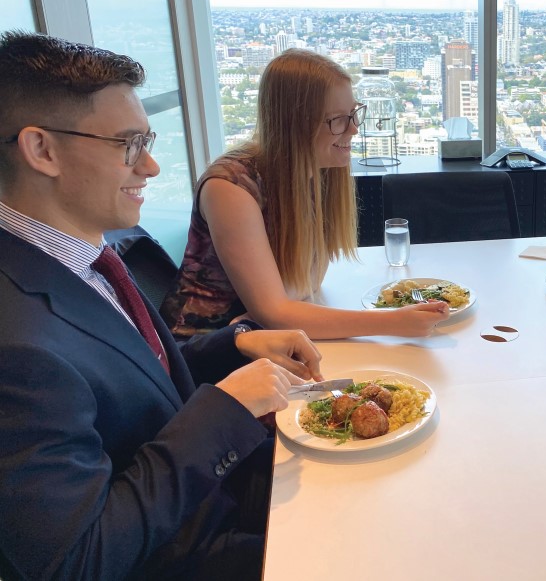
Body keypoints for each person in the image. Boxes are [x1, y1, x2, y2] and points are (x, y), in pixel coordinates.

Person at [0, 31, 325, 580]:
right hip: (188, 550)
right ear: (42, 151)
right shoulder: (16, 344)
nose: (150, 167)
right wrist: (225, 409)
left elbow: (133, 379)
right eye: (128, 144)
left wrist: (237, 344)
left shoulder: (82, 250)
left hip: (209, 500)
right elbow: (79, 560)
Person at [161, 49, 448, 340]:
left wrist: (274, 312)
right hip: (202, 348)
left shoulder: (313, 170)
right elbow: (277, 312)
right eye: (337, 119)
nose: (353, 129)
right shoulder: (230, 187)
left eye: (353, 113)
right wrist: (393, 322)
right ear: (294, 123)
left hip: (263, 340)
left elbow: (303, 286)